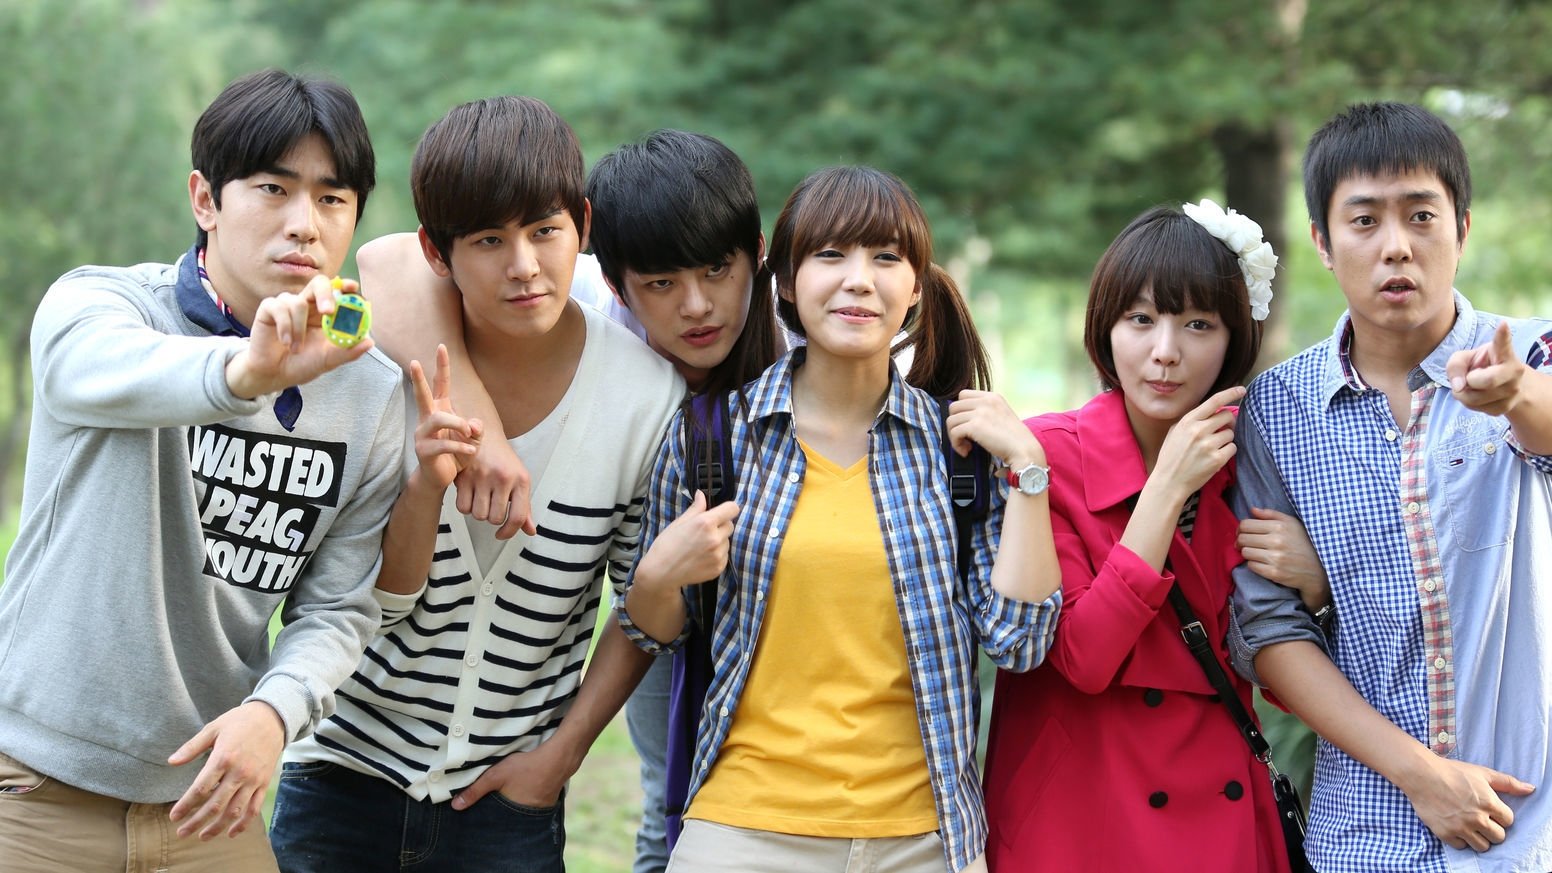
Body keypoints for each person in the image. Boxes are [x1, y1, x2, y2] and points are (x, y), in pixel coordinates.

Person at [267, 96, 685, 873]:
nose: (523, 266)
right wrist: (430, 481)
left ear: (583, 227)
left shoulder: (646, 395)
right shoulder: (378, 372)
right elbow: (361, 592)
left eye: (544, 231)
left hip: (509, 813)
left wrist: (560, 756)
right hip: (341, 780)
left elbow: (638, 606)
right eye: (489, 240)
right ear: (438, 251)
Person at [0, 68, 400, 873]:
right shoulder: (105, 306)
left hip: (210, 811)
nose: (304, 223)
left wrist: (276, 713)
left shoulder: (371, 392)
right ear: (205, 200)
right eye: (273, 189)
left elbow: (338, 606)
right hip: (32, 790)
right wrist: (244, 373)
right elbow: (85, 369)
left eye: (331, 198)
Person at [359, 128, 784, 873]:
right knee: (671, 802)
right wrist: (483, 430)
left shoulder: (798, 322)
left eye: (718, 270)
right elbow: (387, 262)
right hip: (656, 592)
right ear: (616, 280)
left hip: (774, 586)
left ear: (757, 254)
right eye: (660, 283)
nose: (696, 305)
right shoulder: (568, 291)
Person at [620, 165, 1062, 873]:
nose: (859, 280)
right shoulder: (714, 434)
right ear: (785, 282)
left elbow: (1020, 641)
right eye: (831, 255)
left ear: (915, 288)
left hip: (925, 839)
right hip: (744, 828)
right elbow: (655, 628)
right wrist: (655, 576)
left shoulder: (958, 450)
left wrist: (1029, 471)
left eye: (886, 257)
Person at [1229, 101, 1552, 873]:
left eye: (1421, 215)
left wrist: (1518, 398)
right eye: (1365, 220)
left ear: (1462, 230)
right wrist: (1422, 775)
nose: (1396, 245)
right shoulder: (1277, 409)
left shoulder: (1530, 352)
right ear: (1322, 241)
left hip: (1532, 827)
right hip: (1368, 834)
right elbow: (1268, 630)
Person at [980, 201, 1326, 871]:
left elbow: (1287, 687)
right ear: (1105, 327)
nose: (1165, 351)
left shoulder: (1258, 463)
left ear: (1234, 338)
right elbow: (1083, 656)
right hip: (1078, 826)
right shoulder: (1045, 458)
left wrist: (1314, 589)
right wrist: (1166, 486)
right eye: (1140, 319)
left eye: (1198, 324)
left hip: (1221, 829)